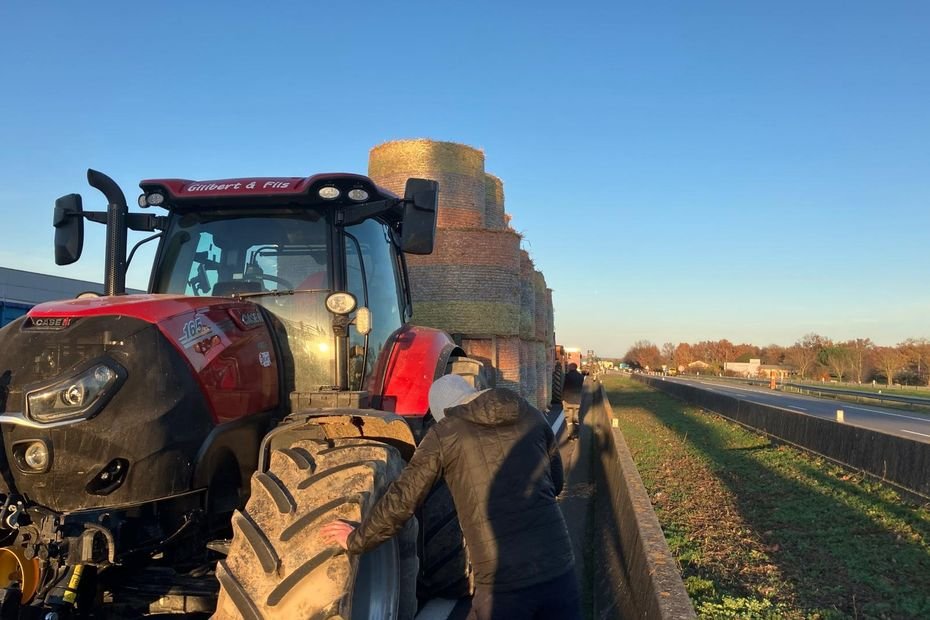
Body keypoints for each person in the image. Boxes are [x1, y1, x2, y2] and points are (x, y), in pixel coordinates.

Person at [320, 374, 580, 620]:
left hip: (503, 583)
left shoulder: (446, 432)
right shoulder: (530, 415)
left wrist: (357, 538)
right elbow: (556, 482)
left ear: (443, 411)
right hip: (561, 570)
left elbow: (402, 498)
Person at [562, 363, 584, 434]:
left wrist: (562, 399)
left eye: (568, 366)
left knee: (569, 418)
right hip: (577, 400)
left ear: (571, 367)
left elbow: (564, 388)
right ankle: (576, 434)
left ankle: (570, 434)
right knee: (576, 417)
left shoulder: (567, 376)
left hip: (568, 401)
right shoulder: (581, 377)